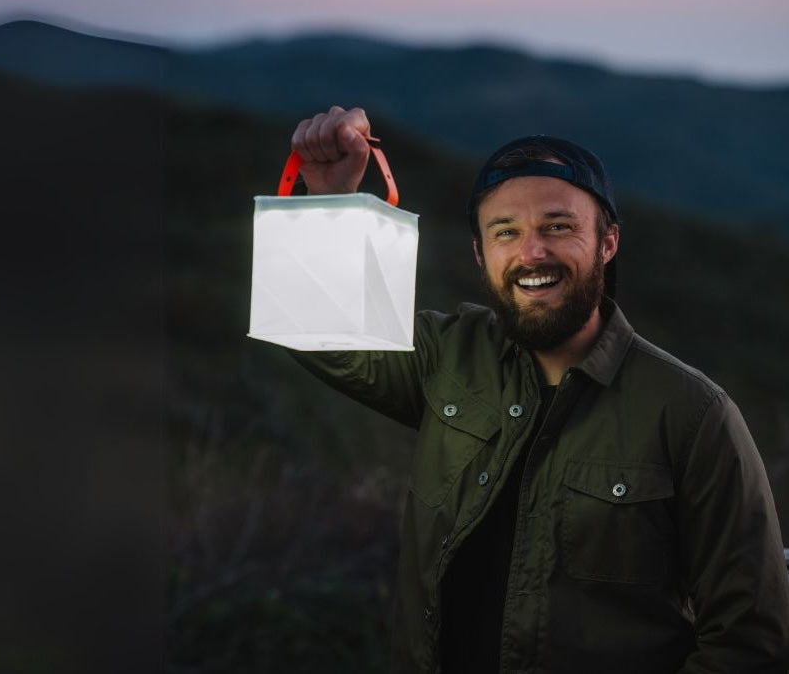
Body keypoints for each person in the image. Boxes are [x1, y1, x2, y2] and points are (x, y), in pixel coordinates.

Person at [280, 106, 789, 673]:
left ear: (608, 243)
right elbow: (317, 332)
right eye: (506, 232)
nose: (532, 252)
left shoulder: (693, 414)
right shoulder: (445, 356)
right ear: (481, 254)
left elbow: (749, 641)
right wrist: (329, 197)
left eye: (558, 226)